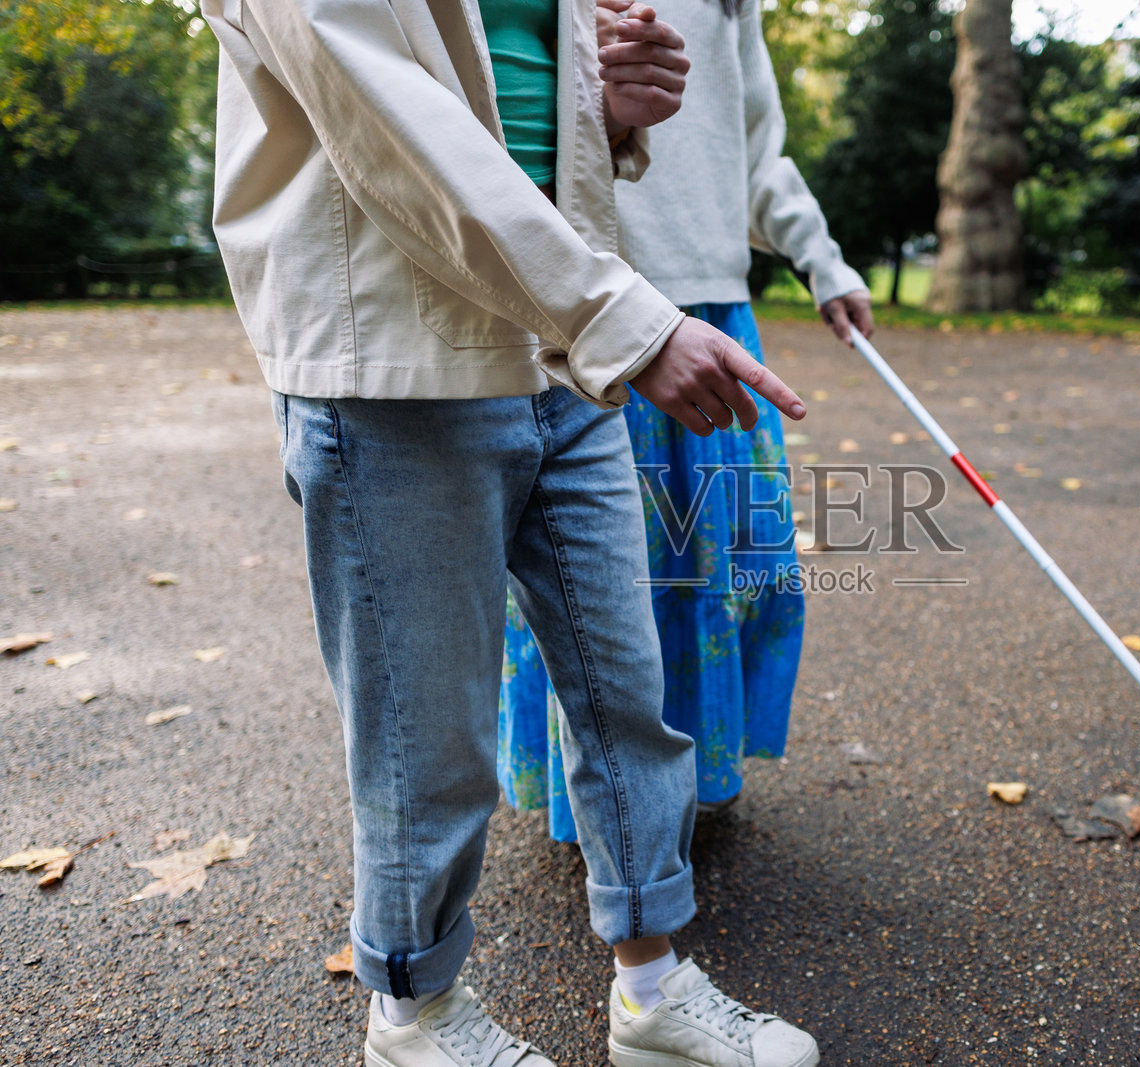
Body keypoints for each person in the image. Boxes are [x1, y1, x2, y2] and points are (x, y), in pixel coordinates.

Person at [200, 1, 821, 1064]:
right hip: (395, 357)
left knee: (627, 692)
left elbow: (515, 96)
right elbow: (388, 122)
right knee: (425, 734)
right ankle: (414, 1011)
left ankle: (652, 987)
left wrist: (611, 112)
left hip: (557, 350)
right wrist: (617, 319)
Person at [498, 0, 874, 840]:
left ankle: (701, 775)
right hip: (588, 306)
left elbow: (754, 149)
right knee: (596, 581)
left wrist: (822, 260)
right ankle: (603, 808)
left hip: (717, 309)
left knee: (728, 562)